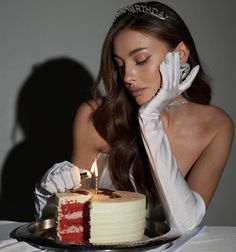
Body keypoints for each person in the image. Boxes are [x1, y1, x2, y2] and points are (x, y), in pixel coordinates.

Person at [34, 1, 234, 235]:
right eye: (120, 65)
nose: (128, 76)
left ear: (179, 55)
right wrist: (46, 196)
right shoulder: (95, 116)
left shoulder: (216, 125)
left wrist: (149, 119)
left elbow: (185, 222)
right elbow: (72, 222)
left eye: (140, 60)